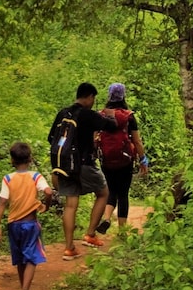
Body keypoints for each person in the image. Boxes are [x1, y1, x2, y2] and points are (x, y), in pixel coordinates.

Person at [48, 82, 118, 260]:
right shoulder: (88, 114)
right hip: (84, 164)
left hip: (63, 165)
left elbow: (51, 138)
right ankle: (90, 234)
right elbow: (112, 126)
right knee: (103, 193)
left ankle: (69, 248)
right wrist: (110, 115)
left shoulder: (63, 113)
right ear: (89, 97)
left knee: (71, 205)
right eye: (93, 98)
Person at [0, 142, 54, 290]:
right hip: (30, 224)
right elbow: (49, 192)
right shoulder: (35, 177)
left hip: (13, 224)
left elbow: (2, 202)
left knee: (20, 258)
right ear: (30, 158)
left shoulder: (8, 178)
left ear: (12, 160)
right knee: (32, 257)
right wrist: (46, 205)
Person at [96, 82, 149, 234]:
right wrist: (142, 159)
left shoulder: (101, 115)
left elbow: (95, 138)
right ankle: (122, 231)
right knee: (123, 194)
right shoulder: (129, 117)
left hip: (106, 160)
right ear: (123, 96)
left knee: (111, 191)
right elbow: (137, 141)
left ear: (109, 96)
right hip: (125, 160)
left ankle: (106, 218)